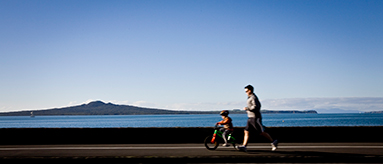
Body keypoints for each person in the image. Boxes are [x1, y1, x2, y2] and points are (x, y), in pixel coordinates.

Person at [236, 85, 278, 152]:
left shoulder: (253, 98)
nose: (245, 92)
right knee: (246, 131)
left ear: (250, 90)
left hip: (255, 118)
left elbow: (256, 107)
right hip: (250, 117)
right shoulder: (249, 97)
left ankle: (273, 141)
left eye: (246, 91)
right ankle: (244, 146)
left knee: (261, 132)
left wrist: (247, 108)